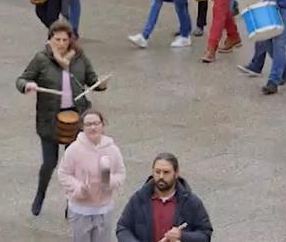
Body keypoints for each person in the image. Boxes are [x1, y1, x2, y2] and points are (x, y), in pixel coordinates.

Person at [17, 20, 104, 216]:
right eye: (57, 39)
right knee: (49, 163)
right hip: (50, 119)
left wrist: (100, 84)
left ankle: (71, 203)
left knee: (74, 165)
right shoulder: (41, 59)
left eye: (65, 39)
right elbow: (21, 79)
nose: (61, 43)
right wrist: (27, 86)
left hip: (76, 118)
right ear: (50, 39)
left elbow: (92, 79)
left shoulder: (80, 58)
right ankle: (40, 195)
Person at [57, 109, 126, 242]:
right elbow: (64, 173)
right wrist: (79, 187)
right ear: (82, 127)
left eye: (96, 123)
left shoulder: (112, 149)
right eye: (88, 124)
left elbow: (121, 173)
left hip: (104, 207)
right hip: (81, 208)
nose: (93, 127)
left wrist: (109, 182)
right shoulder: (74, 149)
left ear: (103, 126)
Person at [115, 153, 212, 242]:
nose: (161, 176)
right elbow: (123, 228)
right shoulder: (139, 199)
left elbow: (205, 234)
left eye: (166, 172)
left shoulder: (191, 202)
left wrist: (182, 236)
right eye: (157, 172)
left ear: (176, 173)